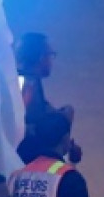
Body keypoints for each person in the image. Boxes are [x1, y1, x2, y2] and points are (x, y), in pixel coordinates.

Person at [14, 32, 82, 165]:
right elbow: (21, 124)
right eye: (51, 55)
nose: (52, 60)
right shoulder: (28, 84)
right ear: (40, 57)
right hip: (29, 149)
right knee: (67, 113)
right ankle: (57, 159)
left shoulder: (27, 80)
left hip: (28, 144)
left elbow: (45, 109)